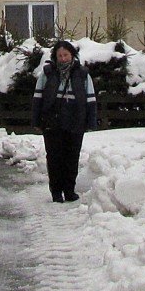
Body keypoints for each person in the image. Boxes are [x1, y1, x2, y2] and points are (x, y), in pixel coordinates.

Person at [30, 38, 98, 202]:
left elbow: (90, 99)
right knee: (54, 157)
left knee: (72, 157)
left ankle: (69, 190)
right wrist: (36, 121)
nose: (63, 59)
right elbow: (38, 98)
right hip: (52, 121)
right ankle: (56, 191)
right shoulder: (47, 74)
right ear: (55, 56)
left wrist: (91, 121)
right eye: (60, 55)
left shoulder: (82, 74)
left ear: (72, 55)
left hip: (75, 120)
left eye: (66, 55)